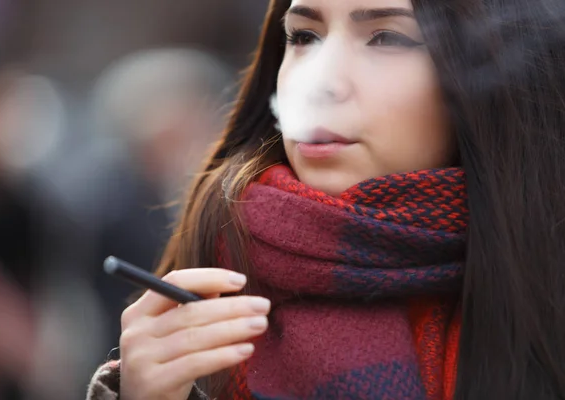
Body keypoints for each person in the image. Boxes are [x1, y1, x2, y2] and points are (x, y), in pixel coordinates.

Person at [87, 0, 565, 399]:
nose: (318, 82)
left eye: (387, 38)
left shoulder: (542, 282)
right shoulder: (218, 265)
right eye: (303, 37)